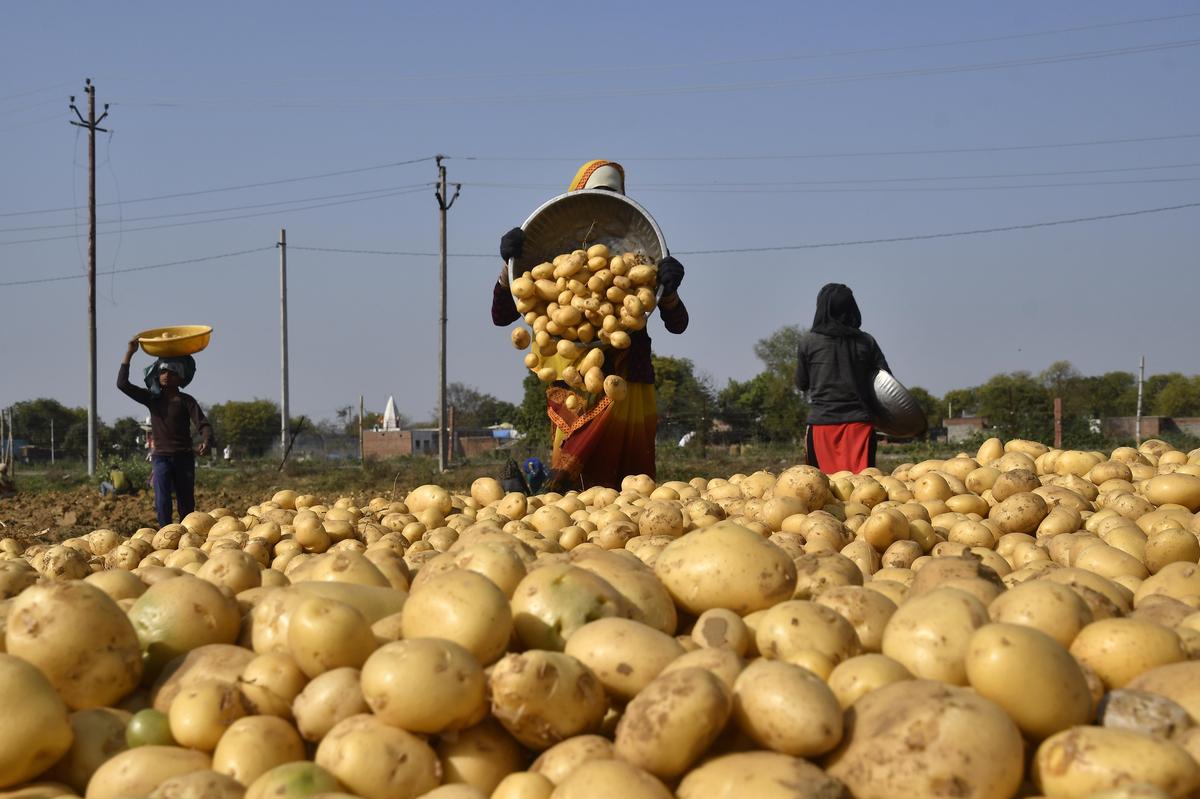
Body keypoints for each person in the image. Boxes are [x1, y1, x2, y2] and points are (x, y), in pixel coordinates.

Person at [492, 160, 689, 491]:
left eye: (613, 196)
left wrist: (669, 291)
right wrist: (505, 266)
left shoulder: (636, 263)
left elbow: (678, 323)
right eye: (597, 194)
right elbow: (502, 315)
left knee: (631, 484)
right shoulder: (552, 263)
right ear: (577, 197)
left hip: (630, 380)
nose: (604, 204)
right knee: (572, 487)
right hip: (575, 385)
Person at [118, 337, 214, 527]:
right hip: (161, 458)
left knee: (186, 502)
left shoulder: (186, 401)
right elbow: (122, 384)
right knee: (162, 501)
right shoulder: (152, 399)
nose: (165, 375)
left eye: (171, 372)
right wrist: (130, 352)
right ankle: (165, 535)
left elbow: (203, 424)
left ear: (180, 377)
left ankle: (189, 537)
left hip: (184, 458)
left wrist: (207, 440)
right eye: (162, 371)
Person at [796, 283, 891, 474]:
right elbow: (886, 384)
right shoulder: (866, 342)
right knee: (864, 494)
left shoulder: (808, 342)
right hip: (859, 428)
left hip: (822, 427)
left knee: (823, 494)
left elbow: (802, 383)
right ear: (852, 308)